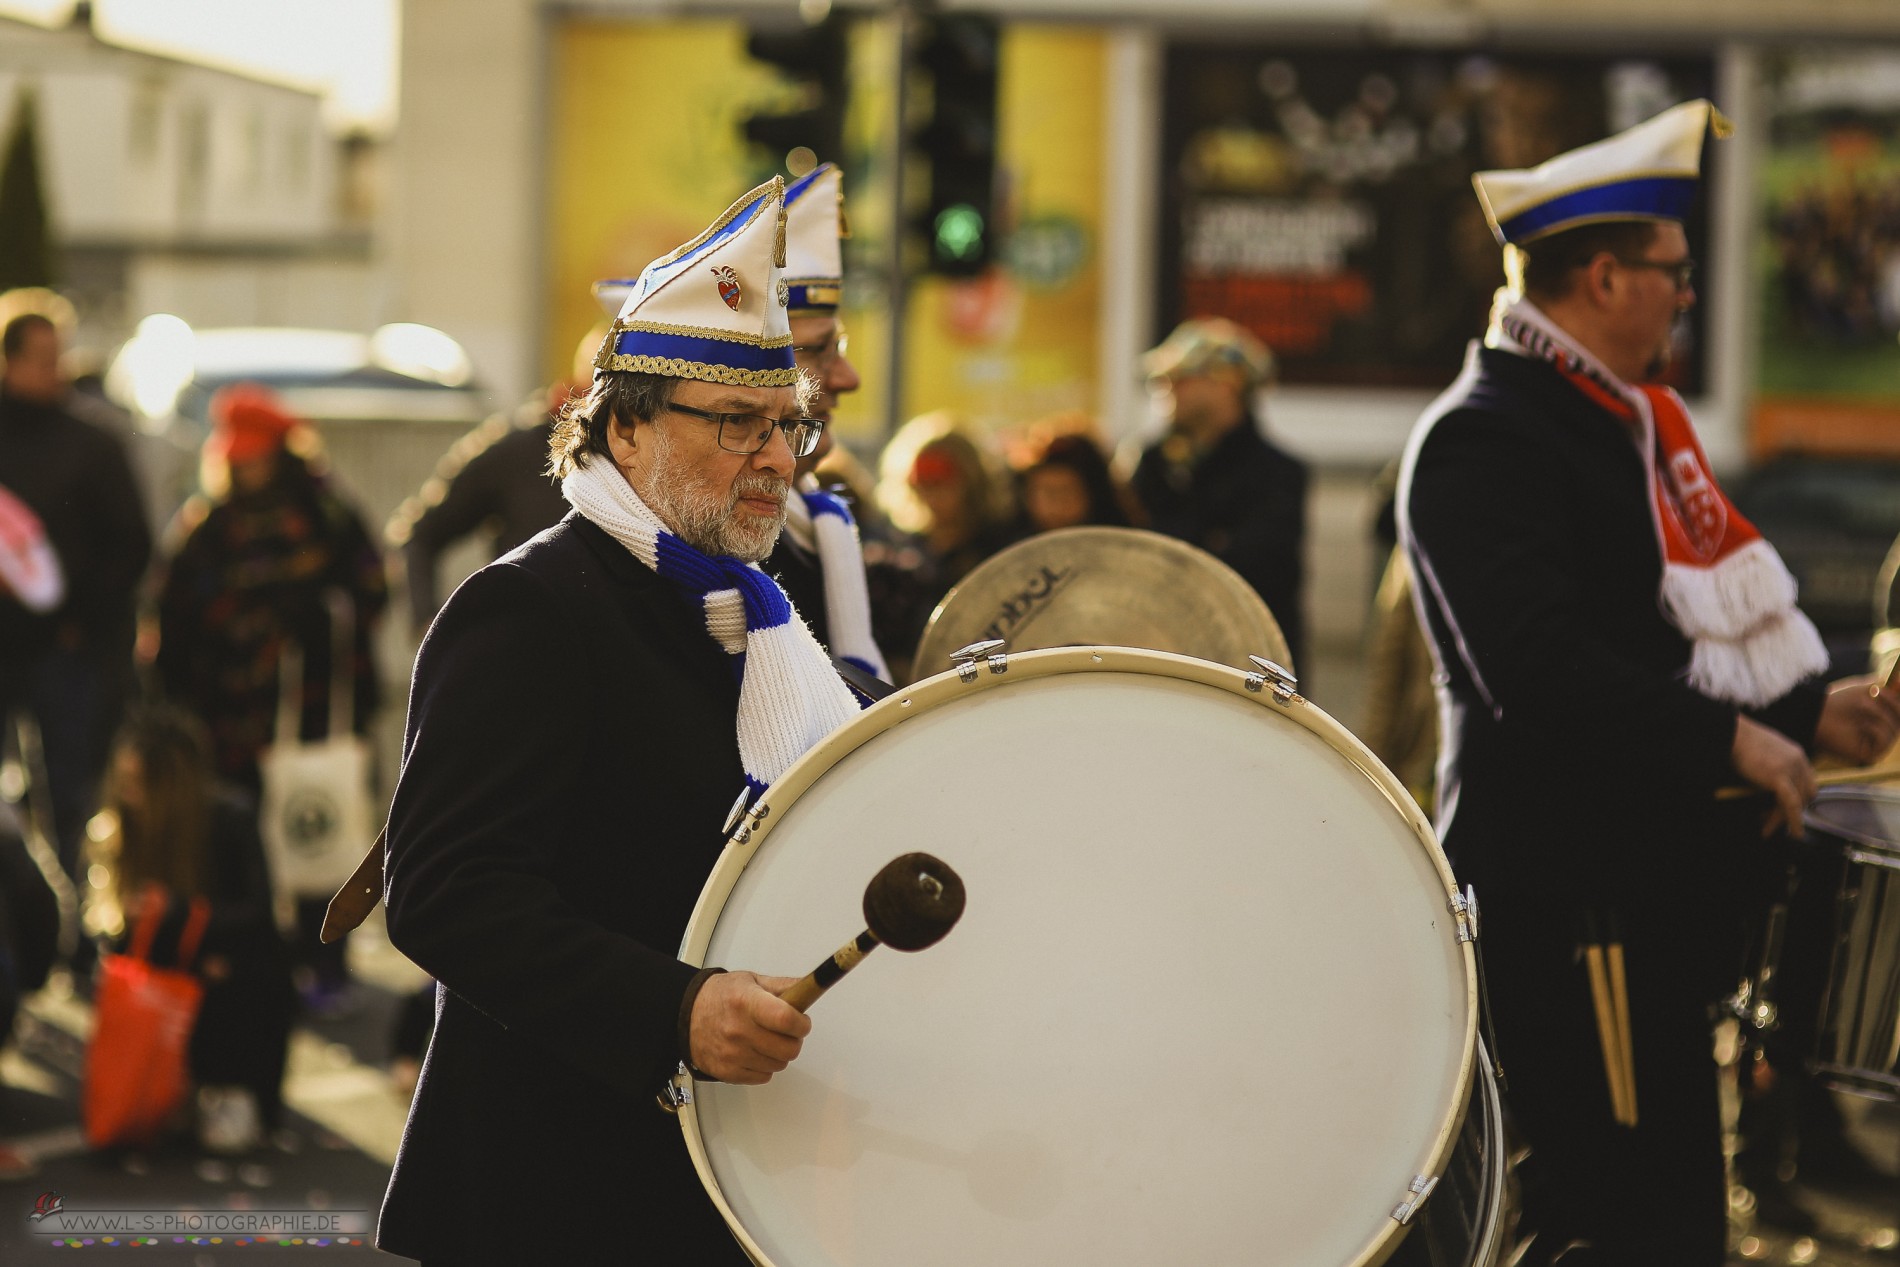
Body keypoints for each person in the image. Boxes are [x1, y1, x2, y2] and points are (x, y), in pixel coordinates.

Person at [1396, 100, 1900, 1265]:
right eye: (1672, 272)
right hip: (1574, 908)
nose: (1687, 294)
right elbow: (1541, 667)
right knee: (1622, 1227)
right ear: (1605, 276)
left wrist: (1804, 713)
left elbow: (1656, 648)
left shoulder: (1611, 423)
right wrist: (1736, 741)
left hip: (1638, 899)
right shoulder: (1488, 435)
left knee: (1658, 1214)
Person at [375, 179, 853, 1264]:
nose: (777, 456)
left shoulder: (757, 609)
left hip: (736, 1176)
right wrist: (674, 1010)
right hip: (555, 1189)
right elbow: (448, 897)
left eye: (791, 424)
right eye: (737, 422)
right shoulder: (530, 608)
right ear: (626, 426)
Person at [149, 384, 387, 1012]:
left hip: (314, 716)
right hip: (229, 720)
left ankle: (324, 959)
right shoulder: (207, 523)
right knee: (242, 844)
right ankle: (255, 964)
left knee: (317, 833)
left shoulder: (325, 513)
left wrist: (318, 616)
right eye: (238, 455)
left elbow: (371, 588)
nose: (246, 467)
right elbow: (168, 618)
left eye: (257, 454)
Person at [88, 706, 296, 1153]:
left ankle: (228, 1092)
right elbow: (110, 934)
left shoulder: (229, 817)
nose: (126, 794)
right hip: (172, 968)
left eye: (137, 782)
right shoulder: (124, 824)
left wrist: (180, 913)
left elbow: (260, 914)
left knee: (241, 975)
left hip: (231, 964)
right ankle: (172, 1093)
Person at [0, 308, 152, 881]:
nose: (54, 370)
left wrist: (81, 621)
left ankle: (74, 927)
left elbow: (130, 544)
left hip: (65, 651)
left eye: (58, 356)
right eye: (41, 359)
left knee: (68, 795)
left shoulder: (92, 446)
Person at [1130, 318, 1308, 669]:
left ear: (1228, 384)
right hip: (1156, 653)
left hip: (1250, 663)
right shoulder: (1148, 463)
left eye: (1182, 376)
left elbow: (1255, 572)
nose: (1166, 387)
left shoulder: (1279, 474)